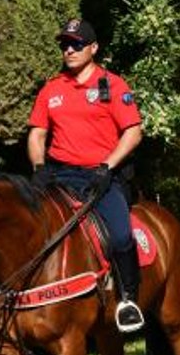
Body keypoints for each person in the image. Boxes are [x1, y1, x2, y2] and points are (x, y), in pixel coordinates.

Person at [27, 18, 145, 332]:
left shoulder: (113, 85)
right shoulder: (51, 89)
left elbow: (133, 133)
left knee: (120, 234)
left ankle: (129, 300)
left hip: (102, 178)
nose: (69, 49)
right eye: (65, 44)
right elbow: (37, 135)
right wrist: (39, 169)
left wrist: (108, 166)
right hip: (59, 176)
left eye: (77, 44)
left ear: (93, 48)